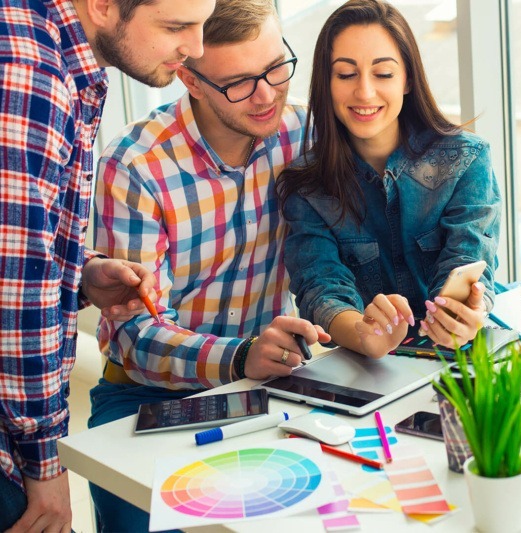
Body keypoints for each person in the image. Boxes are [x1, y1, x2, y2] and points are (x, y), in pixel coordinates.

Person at [89, 0, 330, 530]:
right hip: (145, 394)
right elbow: (134, 333)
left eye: (274, 68)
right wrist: (241, 357)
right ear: (190, 79)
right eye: (239, 83)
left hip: (268, 385)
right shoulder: (135, 167)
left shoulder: (300, 133)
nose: (267, 96)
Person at [0, 0, 216, 530]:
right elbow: (17, 295)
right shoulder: (34, 73)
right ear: (101, 7)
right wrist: (47, 466)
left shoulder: (60, 53)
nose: (197, 48)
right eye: (176, 27)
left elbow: (26, 242)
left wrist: (80, 272)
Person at [278, 0, 501, 360]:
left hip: (460, 356)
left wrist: (467, 313)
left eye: (383, 74)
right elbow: (321, 287)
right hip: (369, 368)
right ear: (326, 82)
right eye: (346, 74)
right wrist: (364, 334)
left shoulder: (467, 159)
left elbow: (469, 258)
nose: (365, 92)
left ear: (408, 79)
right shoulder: (307, 187)